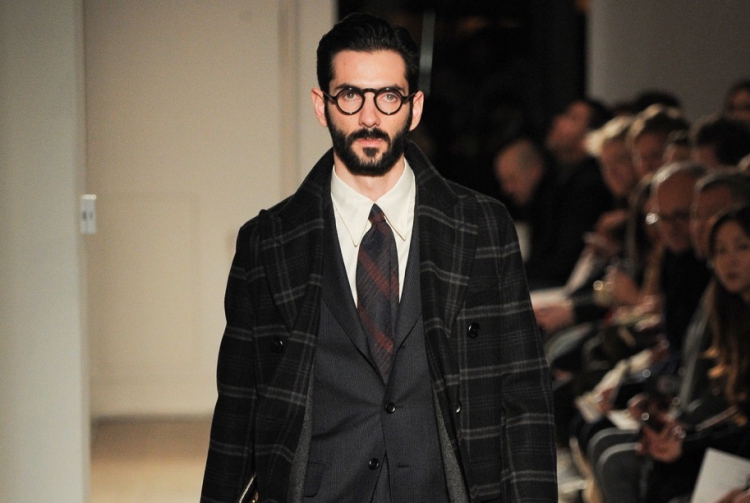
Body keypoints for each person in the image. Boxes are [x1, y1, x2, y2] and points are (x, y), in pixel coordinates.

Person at [200, 13, 557, 503]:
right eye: (350, 95)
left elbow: (524, 396)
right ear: (322, 106)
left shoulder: (480, 228)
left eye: (388, 97)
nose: (369, 118)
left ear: (414, 108)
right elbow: (239, 407)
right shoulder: (268, 242)